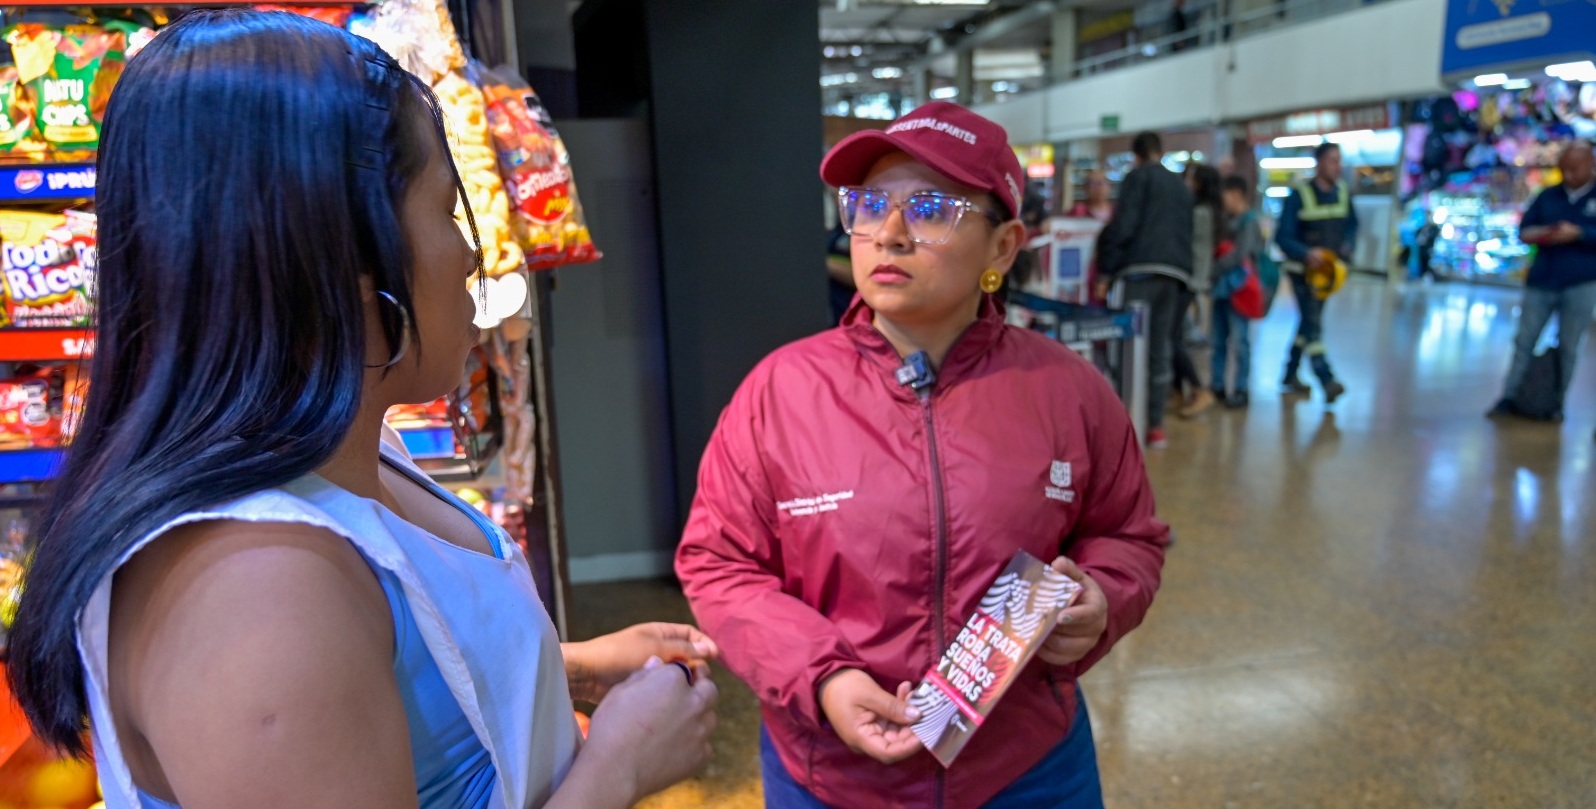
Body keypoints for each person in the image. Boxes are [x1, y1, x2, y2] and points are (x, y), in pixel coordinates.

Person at [5, 12, 719, 809]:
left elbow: (393, 679)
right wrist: (617, 764)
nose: (473, 252)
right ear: (345, 260)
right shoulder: (257, 591)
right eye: (449, 211)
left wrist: (567, 667)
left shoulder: (328, 455)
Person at [675, 101, 1168, 809]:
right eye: (870, 205)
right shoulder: (779, 392)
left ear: (1003, 248)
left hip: (1027, 771)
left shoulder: (1069, 391)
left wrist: (1103, 599)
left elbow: (1128, 535)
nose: (890, 234)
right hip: (831, 773)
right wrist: (823, 678)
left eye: (932, 209)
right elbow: (719, 562)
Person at [1095, 131, 1194, 448]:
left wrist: (1106, 269)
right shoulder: (1180, 185)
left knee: (1125, 344)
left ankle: (1122, 420)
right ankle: (1155, 426)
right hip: (1174, 275)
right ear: (1160, 152)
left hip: (1138, 271)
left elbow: (1125, 224)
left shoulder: (1137, 178)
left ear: (1136, 155)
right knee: (1160, 347)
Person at [1489, 140, 1596, 421]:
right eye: (1564, 169)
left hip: (1581, 283)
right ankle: (1509, 397)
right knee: (1524, 341)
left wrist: (1580, 234)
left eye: (1574, 169)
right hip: (1542, 280)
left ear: (1590, 165)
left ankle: (1555, 404)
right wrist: (1546, 233)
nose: (1569, 175)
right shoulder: (1548, 195)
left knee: (1569, 346)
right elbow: (1523, 231)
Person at [1275, 141, 1354, 404]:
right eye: (1333, 160)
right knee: (1313, 324)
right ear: (1319, 163)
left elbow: (1352, 226)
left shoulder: (1343, 193)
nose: (1338, 166)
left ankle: (1289, 374)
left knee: (1307, 323)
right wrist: (1306, 253)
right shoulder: (1299, 196)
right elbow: (1282, 237)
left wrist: (1347, 246)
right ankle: (1326, 379)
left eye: (1339, 160)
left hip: (1328, 276)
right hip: (1302, 274)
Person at [1210, 174, 1265, 408]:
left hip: (1239, 290)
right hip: (1222, 289)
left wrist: (1213, 268)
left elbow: (1241, 254)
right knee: (1218, 340)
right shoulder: (1225, 219)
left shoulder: (1249, 222)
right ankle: (1218, 385)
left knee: (1240, 341)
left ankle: (1241, 388)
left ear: (1236, 194)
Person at [1176, 163, 1223, 417]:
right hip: (1194, 280)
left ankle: (1198, 388)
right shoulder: (1209, 211)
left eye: (1191, 179)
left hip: (1189, 280)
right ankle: (1181, 390)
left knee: (1173, 337)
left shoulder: (1199, 213)